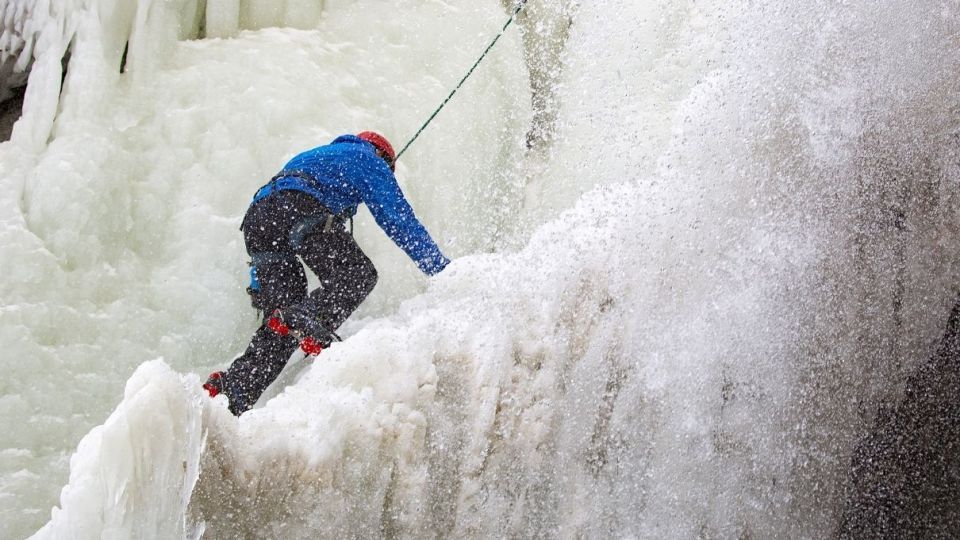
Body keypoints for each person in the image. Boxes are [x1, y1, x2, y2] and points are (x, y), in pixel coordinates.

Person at [203, 131, 449, 415]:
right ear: (381, 156)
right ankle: (304, 319)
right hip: (298, 207)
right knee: (357, 275)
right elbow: (398, 220)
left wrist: (260, 285)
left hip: (259, 220)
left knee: (282, 325)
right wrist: (443, 272)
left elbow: (276, 209)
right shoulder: (368, 158)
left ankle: (231, 393)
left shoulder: (316, 156)